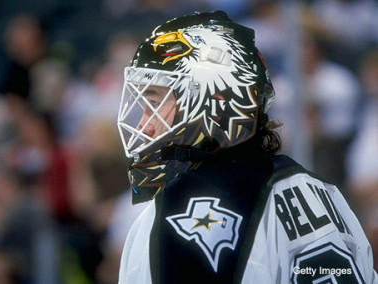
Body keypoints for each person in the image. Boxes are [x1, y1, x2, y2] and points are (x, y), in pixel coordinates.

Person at [116, 11, 378, 283]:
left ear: (213, 105)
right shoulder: (324, 194)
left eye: (155, 103)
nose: (145, 124)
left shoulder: (179, 209)